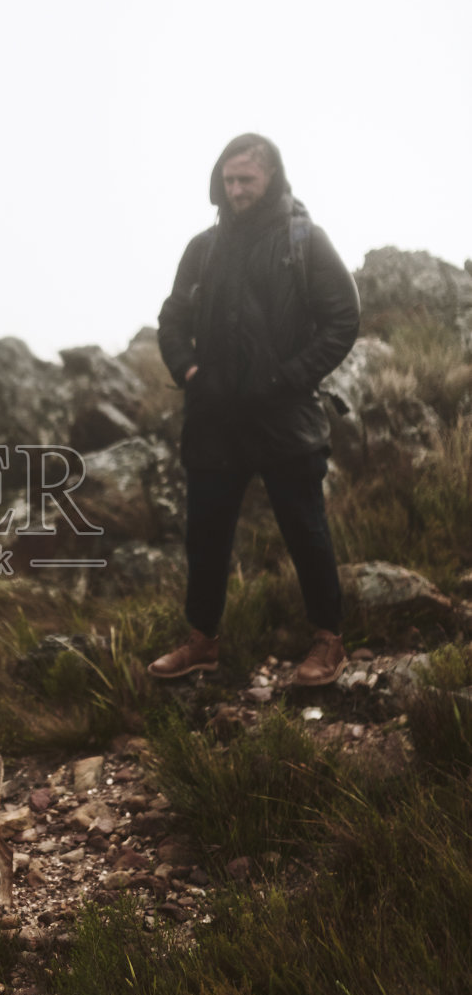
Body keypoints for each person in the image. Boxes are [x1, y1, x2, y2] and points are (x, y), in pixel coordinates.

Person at [149, 134, 360, 686]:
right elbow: (170, 322)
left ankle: (328, 640)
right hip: (215, 419)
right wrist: (191, 372)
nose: (236, 190)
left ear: (271, 178)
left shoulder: (305, 240)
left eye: (247, 179)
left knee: (305, 530)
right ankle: (202, 640)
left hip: (285, 417)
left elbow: (343, 319)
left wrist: (290, 377)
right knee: (207, 535)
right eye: (229, 180)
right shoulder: (203, 248)